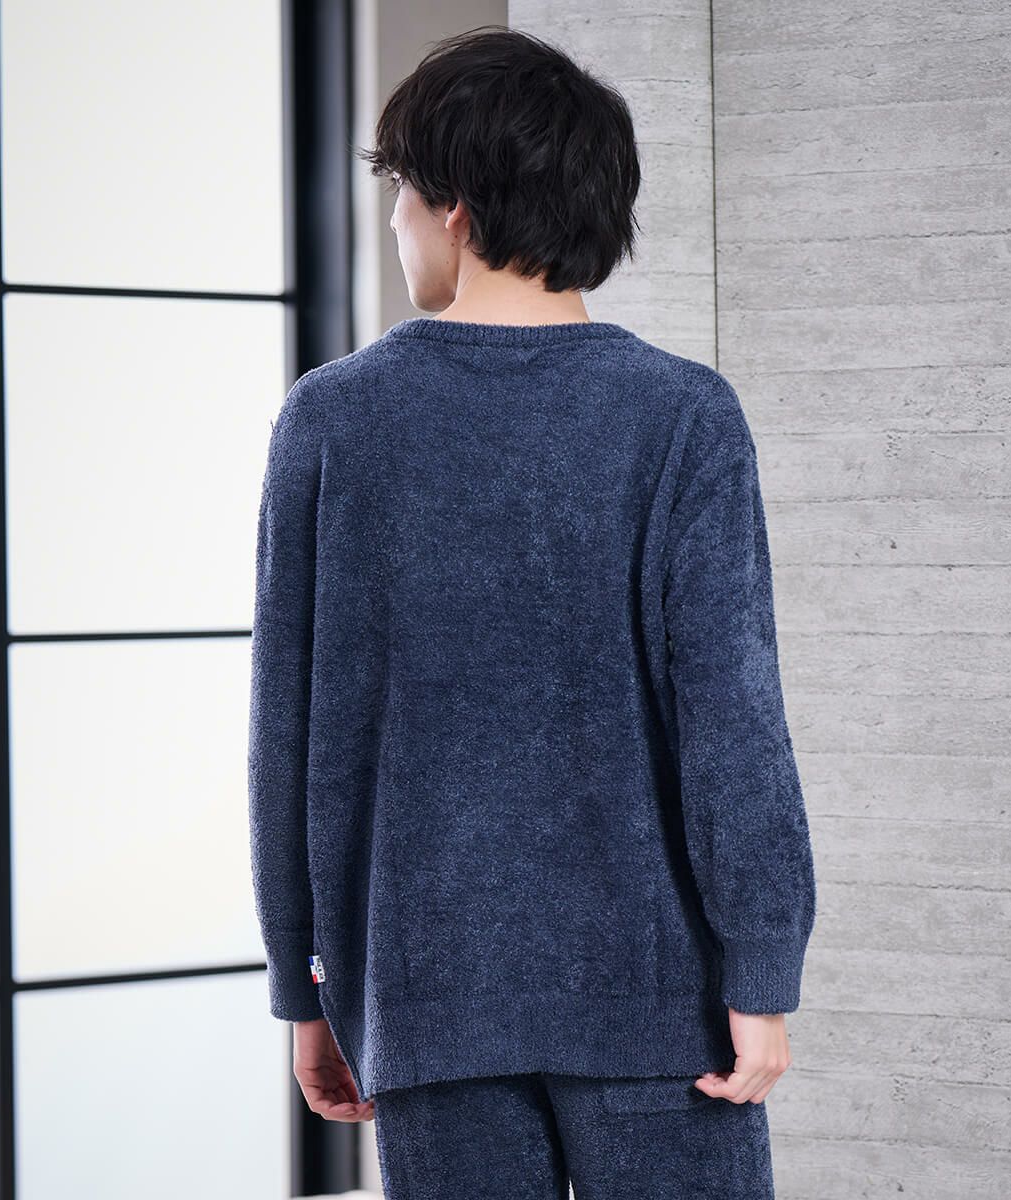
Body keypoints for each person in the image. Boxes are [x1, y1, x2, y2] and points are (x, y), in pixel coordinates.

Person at [247, 25, 817, 1199]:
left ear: (453, 206)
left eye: (402, 192)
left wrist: (304, 989)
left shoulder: (332, 420)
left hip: (422, 1000)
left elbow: (288, 742)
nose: (394, 221)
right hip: (658, 1003)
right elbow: (734, 724)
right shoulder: (682, 417)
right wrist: (761, 972)